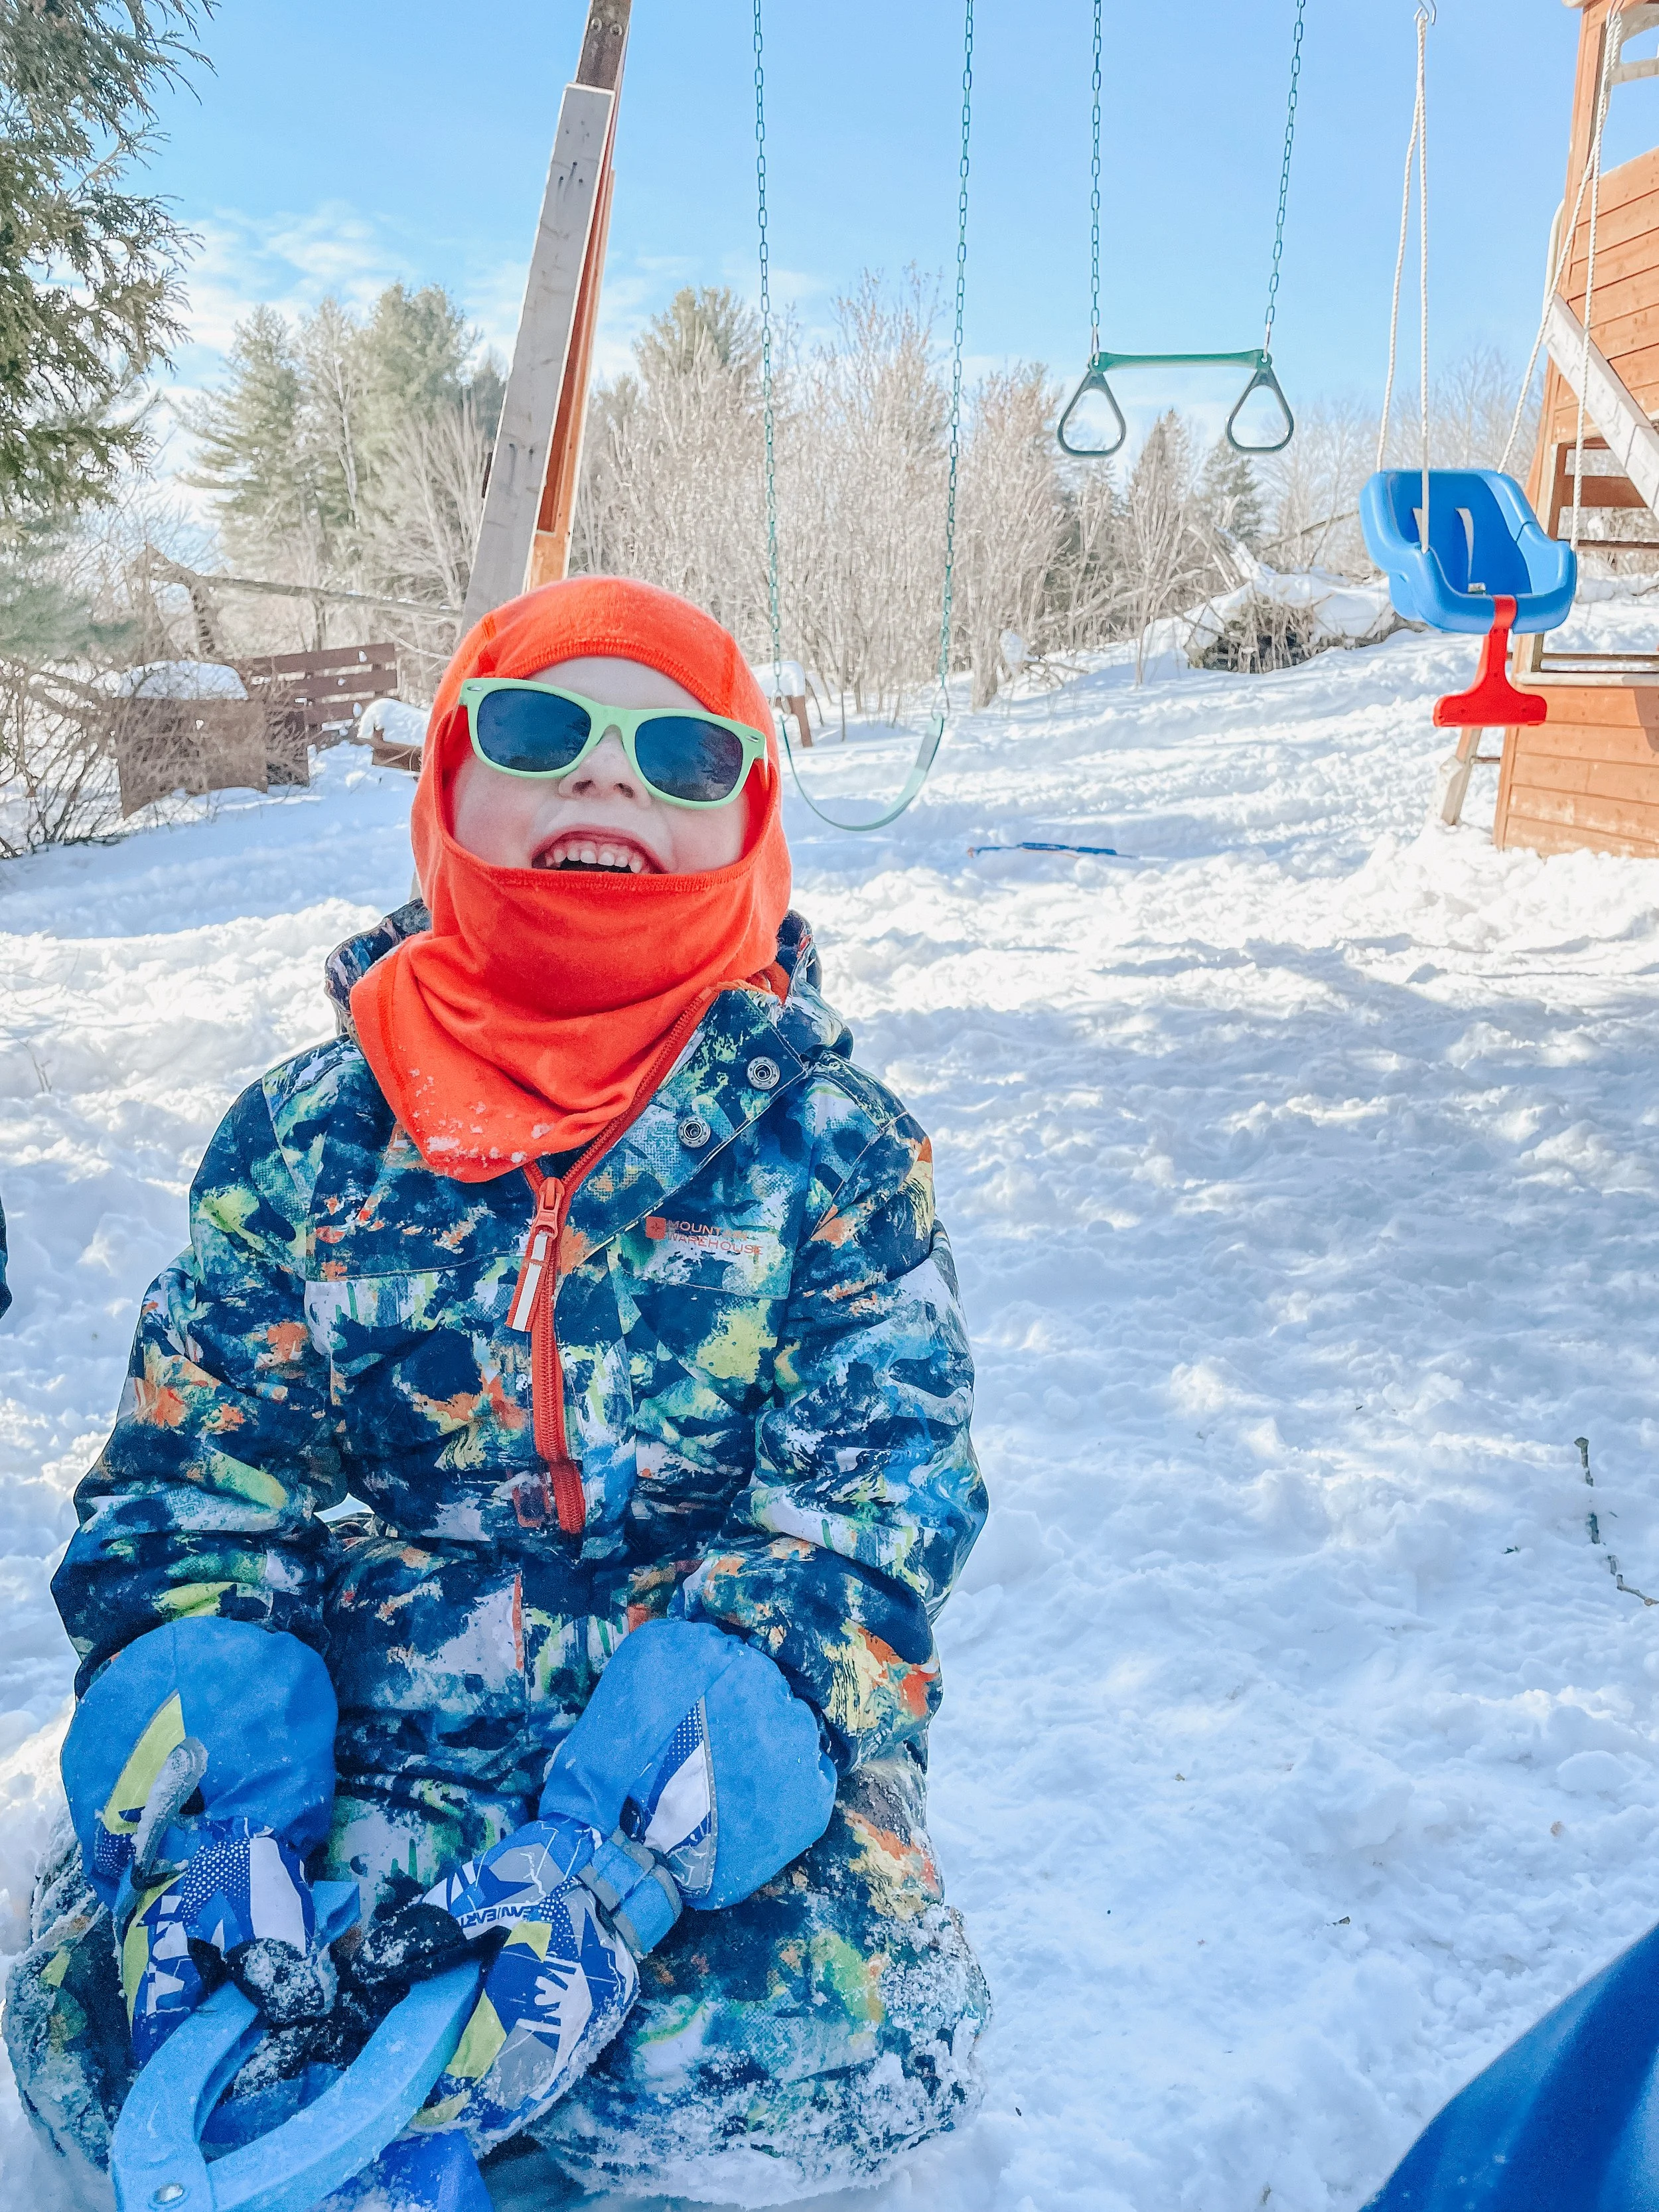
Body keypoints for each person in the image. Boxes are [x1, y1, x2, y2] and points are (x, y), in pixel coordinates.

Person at [6, 577, 990, 2208]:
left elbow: (859, 1526)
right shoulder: (302, 1143)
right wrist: (223, 1796)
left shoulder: (836, 1153)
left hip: (674, 1772)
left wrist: (627, 1857)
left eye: (679, 755)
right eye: (542, 733)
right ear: (448, 781)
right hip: (351, 1750)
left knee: (848, 2036)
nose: (606, 782)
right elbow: (197, 1487)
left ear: (744, 816)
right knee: (100, 2038)